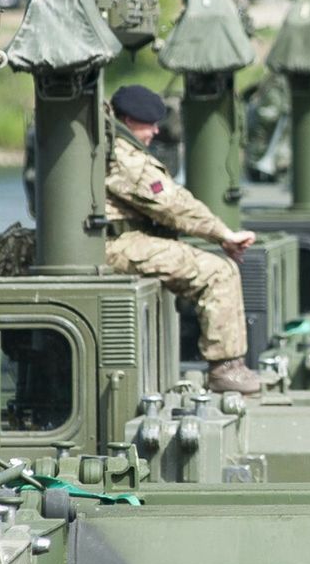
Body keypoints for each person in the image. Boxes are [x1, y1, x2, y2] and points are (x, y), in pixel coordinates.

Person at [104, 84, 264, 395]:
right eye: (148, 124)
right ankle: (225, 369)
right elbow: (171, 204)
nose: (155, 131)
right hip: (114, 245)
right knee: (218, 272)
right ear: (128, 120)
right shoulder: (123, 156)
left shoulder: (112, 145)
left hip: (118, 240)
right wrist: (223, 234)